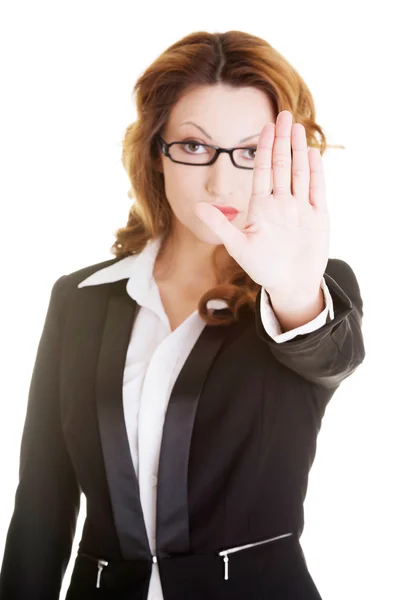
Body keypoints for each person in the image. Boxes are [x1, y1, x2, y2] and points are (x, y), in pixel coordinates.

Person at [0, 30, 365, 600]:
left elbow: (331, 358)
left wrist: (292, 286)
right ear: (156, 151)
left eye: (250, 152)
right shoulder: (79, 298)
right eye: (195, 147)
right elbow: (43, 503)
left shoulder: (308, 290)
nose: (222, 181)